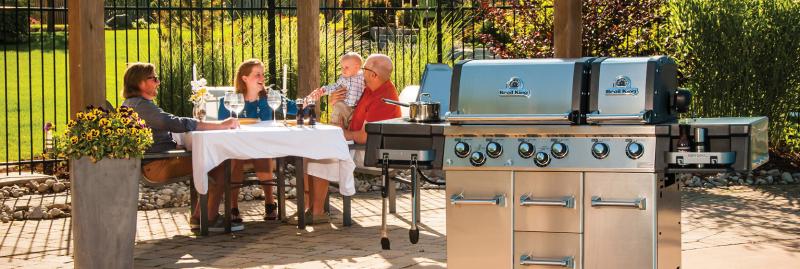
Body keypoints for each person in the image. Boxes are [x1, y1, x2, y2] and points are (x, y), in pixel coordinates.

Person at [121, 62, 243, 232]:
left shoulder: (133, 104)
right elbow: (176, 123)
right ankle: (208, 218)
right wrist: (220, 125)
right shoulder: (141, 107)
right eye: (154, 78)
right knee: (225, 159)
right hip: (156, 165)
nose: (158, 82)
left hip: (157, 160)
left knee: (214, 158)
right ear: (140, 83)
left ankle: (200, 217)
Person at [295, 54, 401, 225]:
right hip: (355, 143)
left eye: (364, 69)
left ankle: (316, 212)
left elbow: (366, 136)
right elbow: (351, 109)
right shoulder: (369, 88)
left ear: (373, 74)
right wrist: (335, 101)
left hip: (370, 151)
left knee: (320, 154)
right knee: (310, 151)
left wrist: (343, 133)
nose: (360, 73)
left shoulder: (382, 98)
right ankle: (307, 208)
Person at [217, 59, 297, 222]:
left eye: (263, 74)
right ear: (244, 78)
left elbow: (296, 107)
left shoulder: (270, 97)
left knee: (262, 153)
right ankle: (233, 206)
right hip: (237, 148)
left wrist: (311, 100)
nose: (262, 77)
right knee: (236, 157)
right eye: (257, 74)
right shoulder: (229, 100)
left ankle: (270, 202)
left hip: (262, 147)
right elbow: (222, 128)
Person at [306, 52, 365, 129]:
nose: (343, 70)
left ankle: (349, 130)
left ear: (356, 68)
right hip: (344, 105)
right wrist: (323, 90)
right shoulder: (343, 78)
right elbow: (334, 87)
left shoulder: (362, 77)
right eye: (342, 67)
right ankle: (334, 127)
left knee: (353, 123)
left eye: (346, 67)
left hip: (356, 107)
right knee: (338, 110)